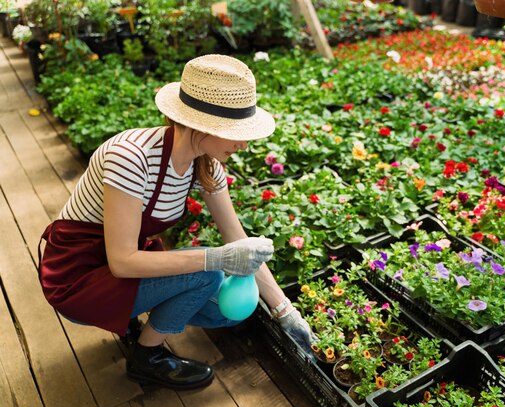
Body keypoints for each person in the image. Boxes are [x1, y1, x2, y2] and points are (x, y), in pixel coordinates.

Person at [38, 54, 314, 390]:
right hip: (79, 276)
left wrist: (286, 313)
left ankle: (131, 319)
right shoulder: (132, 157)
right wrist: (215, 258)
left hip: (119, 269)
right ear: (202, 124)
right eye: (236, 133)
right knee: (209, 273)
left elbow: (237, 237)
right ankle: (146, 358)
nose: (244, 144)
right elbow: (122, 262)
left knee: (226, 311)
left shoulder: (205, 166)